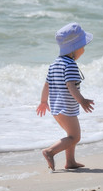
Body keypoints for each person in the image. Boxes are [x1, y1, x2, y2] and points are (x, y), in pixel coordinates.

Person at [36, 22, 94, 171]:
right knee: (75, 137)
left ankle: (70, 162)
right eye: (83, 46)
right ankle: (50, 151)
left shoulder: (54, 64)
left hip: (56, 108)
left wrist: (43, 101)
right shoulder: (70, 65)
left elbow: (46, 85)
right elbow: (71, 85)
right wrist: (82, 101)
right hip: (67, 107)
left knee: (70, 135)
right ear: (74, 49)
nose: (84, 49)